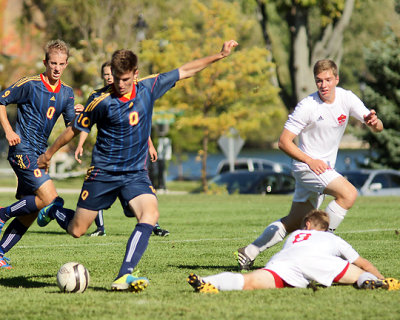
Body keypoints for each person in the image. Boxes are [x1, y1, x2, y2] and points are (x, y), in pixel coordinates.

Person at [36, 40, 239, 291]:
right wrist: (49, 154)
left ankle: (124, 275)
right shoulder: (100, 100)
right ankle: (54, 208)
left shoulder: (148, 88)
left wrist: (219, 55)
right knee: (77, 230)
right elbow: (74, 129)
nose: (119, 84)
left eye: (125, 79)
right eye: (116, 79)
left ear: (136, 74)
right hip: (104, 173)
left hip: (135, 173)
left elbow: (186, 70)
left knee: (150, 215)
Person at [236, 59, 384, 271]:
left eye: (328, 80)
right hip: (307, 167)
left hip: (320, 169)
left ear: (336, 79)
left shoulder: (346, 98)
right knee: (348, 194)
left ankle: (249, 251)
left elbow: (378, 127)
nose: (323, 85)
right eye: (319, 81)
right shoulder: (307, 106)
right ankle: (319, 246)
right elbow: (283, 142)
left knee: (294, 222)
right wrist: (310, 160)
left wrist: (374, 122)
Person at [0, 39, 83, 269]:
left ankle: (0, 251)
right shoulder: (30, 83)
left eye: (61, 64)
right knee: (50, 199)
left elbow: (71, 127)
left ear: (66, 64)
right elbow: (1, 100)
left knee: (32, 211)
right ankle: (2, 214)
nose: (57, 68)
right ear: (45, 62)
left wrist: (83, 114)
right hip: (22, 149)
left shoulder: (66, 93)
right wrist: (8, 131)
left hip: (39, 155)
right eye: (53, 63)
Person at [188, 210, 400, 293]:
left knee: (248, 282)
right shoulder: (330, 237)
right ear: (324, 228)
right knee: (358, 271)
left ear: (307, 224)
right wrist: (381, 275)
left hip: (285, 262)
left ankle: (209, 281)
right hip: (319, 262)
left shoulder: (295, 236)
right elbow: (363, 262)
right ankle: (376, 283)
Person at [76, 61, 169, 237]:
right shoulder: (97, 97)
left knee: (139, 193)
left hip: (131, 155)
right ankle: (100, 228)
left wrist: (150, 145)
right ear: (102, 76)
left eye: (112, 73)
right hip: (107, 156)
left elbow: (138, 124)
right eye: (106, 74)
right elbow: (85, 125)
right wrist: (80, 144)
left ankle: (153, 225)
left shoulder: (132, 94)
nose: (109, 77)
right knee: (97, 190)